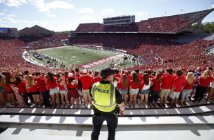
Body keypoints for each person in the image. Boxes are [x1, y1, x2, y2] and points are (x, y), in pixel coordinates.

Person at [90, 67, 125, 140]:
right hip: (111, 114)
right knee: (111, 132)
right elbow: (121, 105)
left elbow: (92, 97)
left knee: (95, 131)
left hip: (97, 113)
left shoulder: (94, 85)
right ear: (109, 77)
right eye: (113, 75)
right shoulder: (114, 88)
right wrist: (122, 110)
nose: (114, 76)